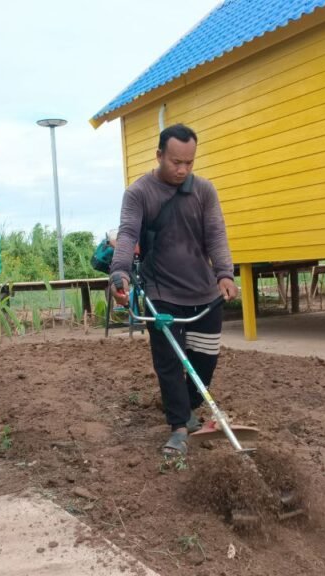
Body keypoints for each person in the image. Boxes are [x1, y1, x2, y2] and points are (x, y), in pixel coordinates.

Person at [109, 124, 238, 456]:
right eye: (175, 162)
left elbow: (216, 234)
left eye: (189, 163)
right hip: (162, 293)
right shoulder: (139, 193)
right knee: (169, 363)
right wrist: (119, 272)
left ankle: (187, 407)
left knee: (204, 364)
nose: (182, 170)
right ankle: (179, 427)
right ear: (159, 155)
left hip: (204, 293)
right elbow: (126, 235)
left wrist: (224, 274)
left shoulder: (204, 191)